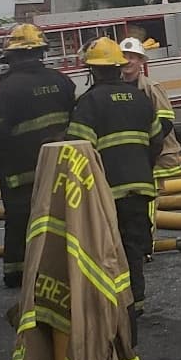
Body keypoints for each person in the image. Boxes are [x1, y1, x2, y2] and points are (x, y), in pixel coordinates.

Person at [0, 23, 75, 289]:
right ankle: (64, 269)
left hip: (20, 176)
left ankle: (16, 273)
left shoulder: (9, 89)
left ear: (12, 56)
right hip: (59, 171)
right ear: (41, 52)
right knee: (61, 220)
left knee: (19, 223)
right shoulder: (63, 82)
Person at [68, 38, 163, 344]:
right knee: (134, 248)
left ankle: (117, 304)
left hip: (108, 193)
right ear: (119, 67)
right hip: (141, 187)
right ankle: (137, 302)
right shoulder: (140, 99)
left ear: (93, 71)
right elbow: (157, 141)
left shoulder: (89, 104)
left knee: (110, 250)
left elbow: (77, 150)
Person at [119, 36, 181, 203]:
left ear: (141, 61)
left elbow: (166, 123)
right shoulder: (116, 89)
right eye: (124, 57)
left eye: (132, 57)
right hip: (131, 158)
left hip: (155, 156)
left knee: (149, 201)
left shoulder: (152, 88)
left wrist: (146, 146)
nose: (127, 61)